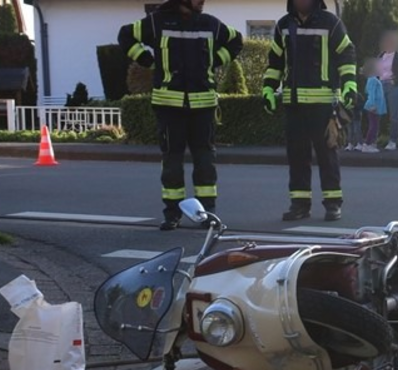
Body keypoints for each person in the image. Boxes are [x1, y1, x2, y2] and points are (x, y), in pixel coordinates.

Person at [118, 0, 242, 230]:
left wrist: (215, 60)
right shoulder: (157, 22)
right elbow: (125, 35)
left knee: (205, 160)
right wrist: (146, 59)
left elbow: (236, 40)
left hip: (203, 105)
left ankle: (206, 212)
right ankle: (172, 213)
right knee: (172, 162)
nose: (201, 1)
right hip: (169, 106)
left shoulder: (210, 24)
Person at [262, 0, 357, 222]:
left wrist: (350, 85)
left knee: (327, 155)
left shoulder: (331, 23)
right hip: (293, 105)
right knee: (297, 157)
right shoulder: (283, 25)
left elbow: (347, 54)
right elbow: (275, 61)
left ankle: (333, 204)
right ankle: (300, 205)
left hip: (323, 103)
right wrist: (268, 88)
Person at [377, 30, 398, 151]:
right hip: (381, 85)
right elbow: (376, 70)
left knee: (394, 115)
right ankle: (377, 138)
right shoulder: (381, 56)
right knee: (377, 113)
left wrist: (395, 81)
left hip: (393, 87)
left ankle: (392, 141)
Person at [360, 59, 386, 154]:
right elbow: (371, 94)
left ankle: (370, 144)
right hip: (374, 107)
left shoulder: (373, 79)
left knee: (375, 125)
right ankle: (367, 144)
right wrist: (372, 105)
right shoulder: (373, 80)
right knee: (373, 126)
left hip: (376, 107)